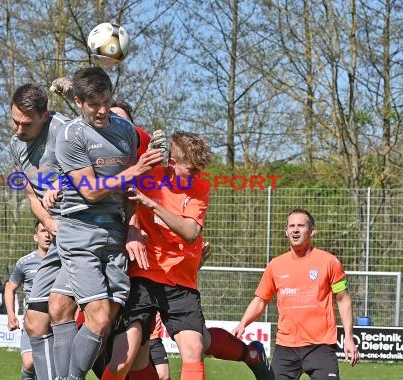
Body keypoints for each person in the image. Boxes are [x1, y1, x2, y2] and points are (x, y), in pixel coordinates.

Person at [48, 66, 164, 380]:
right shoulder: (71, 135)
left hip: (114, 234)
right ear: (78, 101)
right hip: (81, 231)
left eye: (105, 101)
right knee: (97, 319)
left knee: (85, 312)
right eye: (92, 104)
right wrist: (135, 170)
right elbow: (91, 191)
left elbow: (130, 188)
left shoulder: (125, 131)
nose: (101, 110)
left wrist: (133, 226)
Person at [101, 131, 213, 380]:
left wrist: (151, 204)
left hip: (180, 281)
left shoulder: (200, 187)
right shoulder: (149, 175)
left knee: (196, 348)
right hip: (143, 275)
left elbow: (191, 232)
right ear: (172, 163)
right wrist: (133, 227)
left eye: (200, 170)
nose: (196, 176)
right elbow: (127, 194)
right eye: (192, 169)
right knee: (125, 358)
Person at [232, 209, 360, 379]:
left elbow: (343, 299)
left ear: (312, 231)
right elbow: (260, 300)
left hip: (320, 346)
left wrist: (349, 339)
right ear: (286, 232)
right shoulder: (275, 265)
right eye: (291, 226)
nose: (295, 229)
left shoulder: (329, 262)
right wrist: (243, 323)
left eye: (301, 225)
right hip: (286, 347)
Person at [9, 83, 73, 380]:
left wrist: (63, 185)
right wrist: (48, 223)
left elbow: (98, 174)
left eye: (26, 123)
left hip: (84, 227)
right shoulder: (15, 146)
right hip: (55, 230)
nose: (19, 129)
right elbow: (33, 198)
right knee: (35, 321)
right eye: (14, 121)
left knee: (63, 311)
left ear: (45, 116)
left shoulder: (66, 130)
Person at [5, 220, 52, 380]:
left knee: (52, 369)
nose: (47, 235)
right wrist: (11, 315)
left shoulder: (64, 260)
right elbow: (9, 288)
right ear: (35, 236)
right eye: (42, 231)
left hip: (57, 325)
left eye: (49, 231)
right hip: (32, 323)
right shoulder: (25, 262)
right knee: (30, 363)